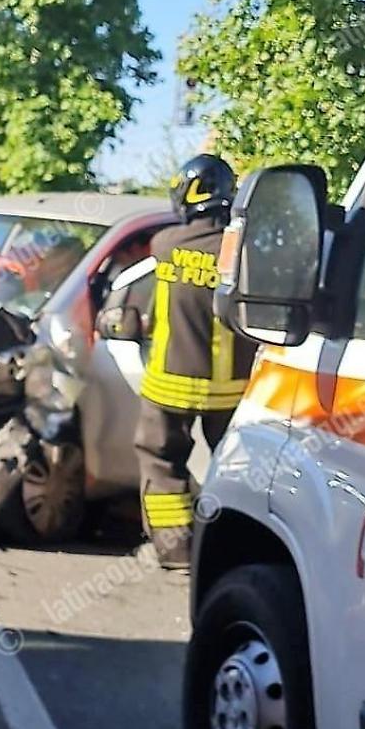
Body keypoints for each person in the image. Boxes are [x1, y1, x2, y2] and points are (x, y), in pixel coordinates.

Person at [135, 154, 256, 569]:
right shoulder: (243, 253)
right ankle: (236, 548)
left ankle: (176, 550)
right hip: (230, 391)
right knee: (237, 470)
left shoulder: (166, 245)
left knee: (161, 463)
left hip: (169, 385)